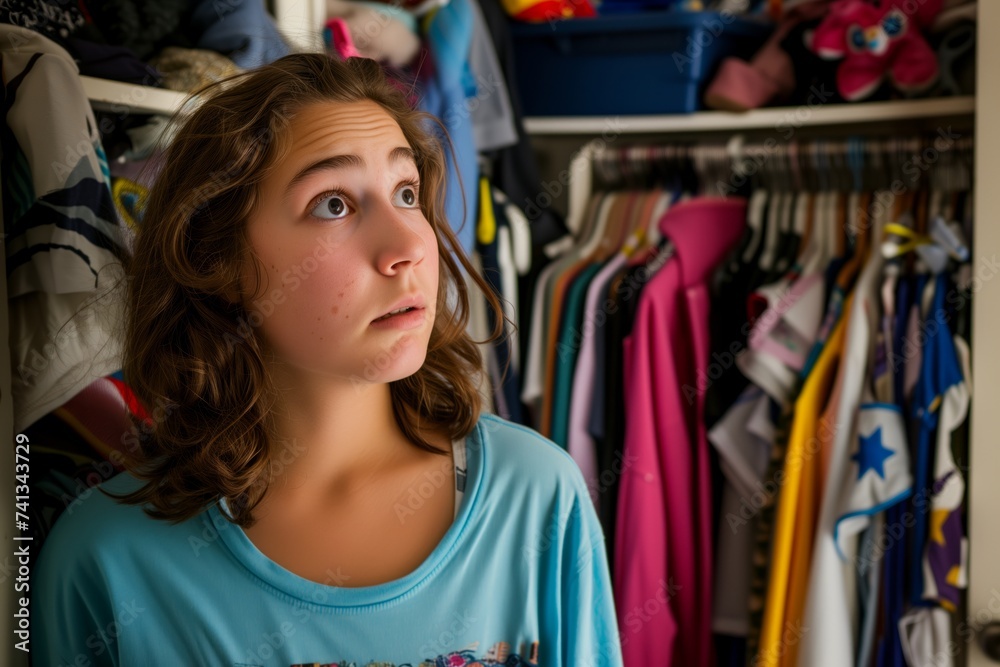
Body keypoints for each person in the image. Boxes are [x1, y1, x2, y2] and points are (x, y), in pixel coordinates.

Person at [32, 53, 623, 666]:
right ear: (221, 263)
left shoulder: (536, 497)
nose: (406, 248)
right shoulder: (102, 561)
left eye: (407, 193)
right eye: (333, 204)